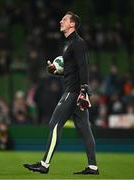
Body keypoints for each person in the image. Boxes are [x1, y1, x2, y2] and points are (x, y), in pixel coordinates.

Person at [23, 11, 99, 175]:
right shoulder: (69, 44)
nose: (60, 21)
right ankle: (93, 167)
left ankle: (44, 164)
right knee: (84, 128)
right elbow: (71, 70)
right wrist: (55, 71)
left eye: (64, 20)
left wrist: (84, 89)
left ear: (72, 24)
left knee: (54, 124)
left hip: (74, 92)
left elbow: (84, 66)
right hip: (76, 89)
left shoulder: (77, 43)